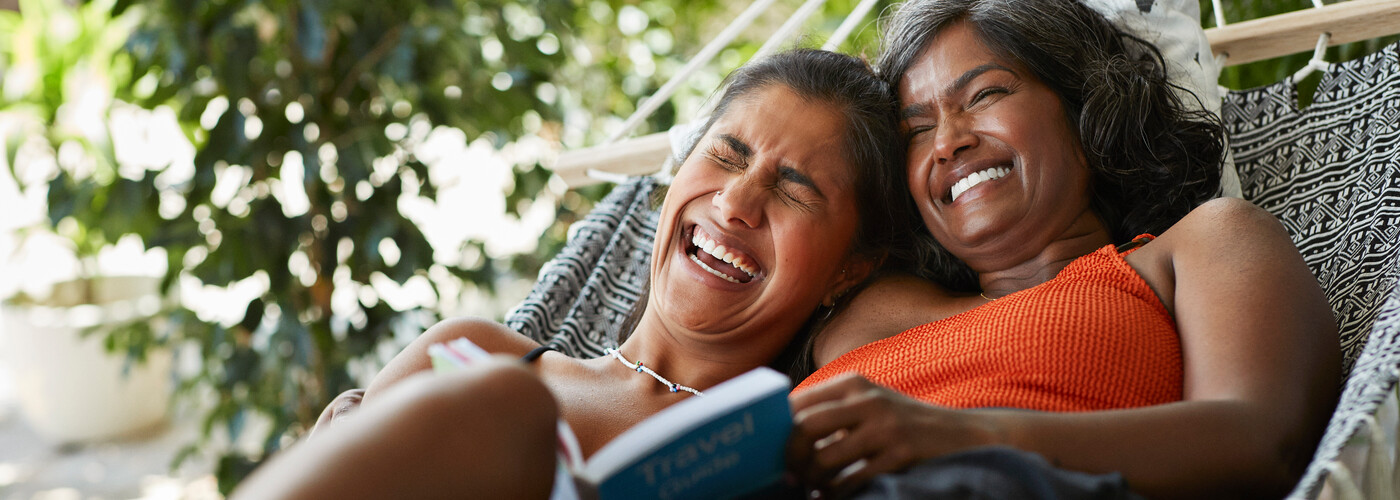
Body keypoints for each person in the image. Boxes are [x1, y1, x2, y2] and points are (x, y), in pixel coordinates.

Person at [230, 48, 913, 498]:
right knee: (505, 402)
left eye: (794, 189)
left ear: (851, 271)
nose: (735, 203)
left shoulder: (781, 452)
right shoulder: (471, 351)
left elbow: (1009, 308)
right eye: (725, 156)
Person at [785, 1, 1341, 498]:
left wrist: (966, 435)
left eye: (985, 94)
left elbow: (1260, 442)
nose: (948, 142)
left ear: (1087, 109)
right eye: (916, 131)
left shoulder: (1197, 246)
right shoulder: (856, 307)